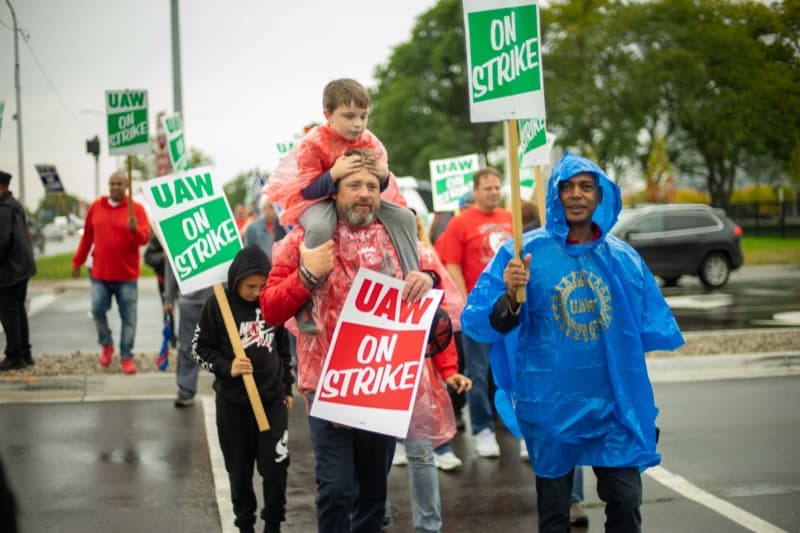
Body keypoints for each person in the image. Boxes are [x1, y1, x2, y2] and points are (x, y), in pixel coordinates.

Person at [462, 152, 684, 532]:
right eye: (566, 187)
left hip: (614, 403)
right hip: (552, 403)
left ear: (600, 195)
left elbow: (651, 327)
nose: (576, 195)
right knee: (554, 513)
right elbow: (489, 323)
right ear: (554, 195)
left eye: (585, 187)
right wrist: (513, 293)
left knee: (626, 502)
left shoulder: (624, 260)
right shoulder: (522, 253)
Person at [260, 150, 446, 533]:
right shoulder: (304, 241)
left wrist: (428, 279)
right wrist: (307, 276)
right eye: (354, 185)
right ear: (333, 192)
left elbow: (434, 278)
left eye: (372, 186)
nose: (364, 193)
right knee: (336, 490)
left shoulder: (399, 236)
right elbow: (270, 308)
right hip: (328, 387)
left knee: (373, 497)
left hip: (381, 386)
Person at [265, 78, 415, 334]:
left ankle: (414, 284)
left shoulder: (370, 141)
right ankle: (306, 305)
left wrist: (383, 174)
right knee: (322, 227)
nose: (357, 124)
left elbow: (380, 184)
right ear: (328, 115)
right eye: (349, 116)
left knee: (405, 217)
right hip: (318, 201)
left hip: (356, 201)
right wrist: (333, 175)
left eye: (363, 116)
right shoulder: (313, 144)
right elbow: (307, 189)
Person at [193, 244, 294, 533]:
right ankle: (245, 525)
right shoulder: (219, 304)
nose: (256, 292)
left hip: (271, 402)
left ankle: (273, 524)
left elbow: (283, 349)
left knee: (275, 468)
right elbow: (199, 349)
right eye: (250, 286)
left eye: (262, 285)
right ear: (236, 279)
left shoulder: (272, 301)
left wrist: (287, 388)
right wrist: (228, 367)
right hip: (233, 405)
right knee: (239, 473)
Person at [438, 167, 512, 458]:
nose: (494, 192)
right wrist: (465, 299)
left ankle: (515, 425)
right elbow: (452, 263)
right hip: (479, 309)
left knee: (512, 369)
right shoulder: (460, 223)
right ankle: (482, 429)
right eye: (488, 188)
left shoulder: (510, 218)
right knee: (478, 372)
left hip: (511, 306)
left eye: (497, 187)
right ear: (476, 190)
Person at [72, 171, 150, 374]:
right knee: (97, 311)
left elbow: (144, 239)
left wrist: (135, 230)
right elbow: (87, 237)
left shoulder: (137, 210)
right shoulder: (97, 206)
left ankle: (126, 357)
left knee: (129, 319)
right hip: (101, 274)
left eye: (119, 184)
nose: (115, 187)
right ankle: (106, 344)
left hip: (127, 276)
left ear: (126, 186)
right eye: (112, 183)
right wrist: (77, 261)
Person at [0, 170, 36, 372]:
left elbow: (2, 242)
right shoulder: (15, 205)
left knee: (9, 314)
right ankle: (25, 353)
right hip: (21, 269)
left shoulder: (3, 209)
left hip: (9, 272)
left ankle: (14, 356)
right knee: (18, 311)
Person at [163, 259, 213, 407]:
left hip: (219, 298)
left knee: (226, 346)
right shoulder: (180, 236)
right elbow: (172, 262)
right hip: (189, 300)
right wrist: (169, 297)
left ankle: (229, 388)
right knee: (187, 347)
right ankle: (186, 389)